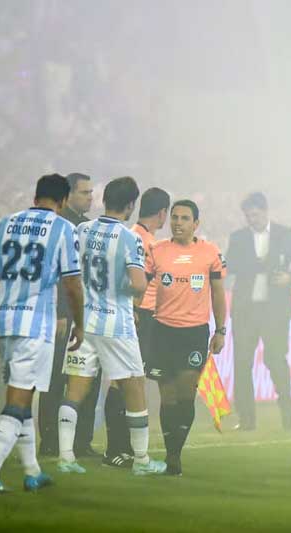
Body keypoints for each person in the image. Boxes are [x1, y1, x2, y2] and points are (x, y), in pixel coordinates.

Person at [0, 174, 84, 493]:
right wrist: (80, 323)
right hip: (35, 325)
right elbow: (72, 284)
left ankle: (32, 471)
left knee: (24, 397)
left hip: (3, 321)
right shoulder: (63, 228)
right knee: (18, 400)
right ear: (63, 201)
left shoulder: (5, 223)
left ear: (36, 197)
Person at [57, 177, 166, 476]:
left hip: (84, 322)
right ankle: (142, 460)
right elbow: (138, 284)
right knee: (135, 388)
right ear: (130, 205)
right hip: (116, 324)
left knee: (74, 391)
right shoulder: (129, 238)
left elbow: (70, 272)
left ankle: (66, 457)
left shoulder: (82, 229)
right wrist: (126, 289)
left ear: (105, 200)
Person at [145, 199, 227, 476]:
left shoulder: (210, 252)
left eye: (184, 218)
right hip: (163, 331)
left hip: (193, 333)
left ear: (196, 224)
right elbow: (141, 287)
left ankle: (174, 454)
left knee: (186, 395)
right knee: (167, 398)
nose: (178, 223)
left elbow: (218, 293)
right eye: (175, 217)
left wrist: (220, 330)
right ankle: (172, 454)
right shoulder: (157, 251)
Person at [226, 192, 291, 431]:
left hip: (275, 311)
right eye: (248, 216)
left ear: (265, 211)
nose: (251, 220)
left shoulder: (286, 234)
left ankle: (287, 413)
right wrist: (256, 264)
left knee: (276, 360)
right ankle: (246, 419)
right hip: (245, 311)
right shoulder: (238, 237)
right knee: (242, 363)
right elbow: (229, 265)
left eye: (255, 215)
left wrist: (290, 278)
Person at [103, 187, 171, 469]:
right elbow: (136, 281)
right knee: (125, 381)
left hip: (133, 314)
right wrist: (134, 309)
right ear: (163, 213)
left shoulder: (131, 234)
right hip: (138, 315)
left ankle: (123, 448)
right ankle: (115, 449)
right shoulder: (144, 241)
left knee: (127, 380)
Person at [38, 172, 99, 457]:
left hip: (85, 313)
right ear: (68, 195)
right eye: (85, 192)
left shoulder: (87, 226)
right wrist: (62, 311)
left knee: (87, 375)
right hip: (63, 314)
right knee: (56, 378)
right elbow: (55, 272)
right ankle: (50, 439)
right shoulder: (60, 225)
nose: (90, 197)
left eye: (91, 192)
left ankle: (81, 441)